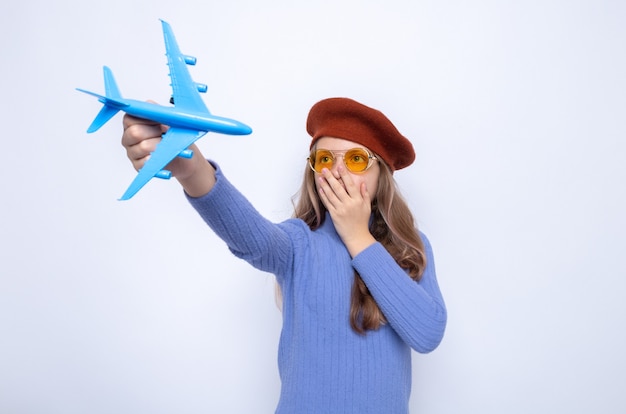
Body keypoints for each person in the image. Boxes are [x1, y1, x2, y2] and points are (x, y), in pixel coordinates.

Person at [121, 97, 447, 413]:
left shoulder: (410, 247)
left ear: (382, 175)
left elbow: (427, 334)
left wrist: (357, 236)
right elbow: (248, 234)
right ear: (313, 172)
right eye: (324, 160)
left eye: (356, 160)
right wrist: (189, 168)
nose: (336, 172)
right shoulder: (297, 245)